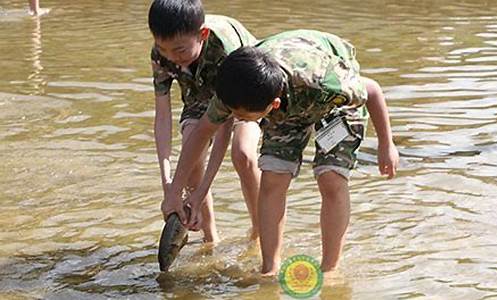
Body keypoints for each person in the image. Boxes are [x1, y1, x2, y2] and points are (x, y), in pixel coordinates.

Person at [165, 29, 399, 275]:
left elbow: (372, 90)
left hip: (334, 105)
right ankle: (269, 268)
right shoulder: (236, 87)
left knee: (330, 178)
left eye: (242, 118)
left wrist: (387, 144)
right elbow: (202, 133)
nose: (235, 119)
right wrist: (176, 192)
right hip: (282, 105)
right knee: (272, 180)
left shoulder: (326, 81)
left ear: (272, 105)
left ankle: (329, 270)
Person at [148, 0, 262, 243]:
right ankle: (210, 239)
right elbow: (163, 116)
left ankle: (259, 230)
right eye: (163, 49)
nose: (171, 58)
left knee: (243, 155)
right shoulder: (163, 52)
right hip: (198, 95)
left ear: (203, 35)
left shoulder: (224, 49)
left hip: (245, 94)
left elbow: (224, 127)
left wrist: (200, 192)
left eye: (179, 51)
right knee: (190, 159)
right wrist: (168, 183)